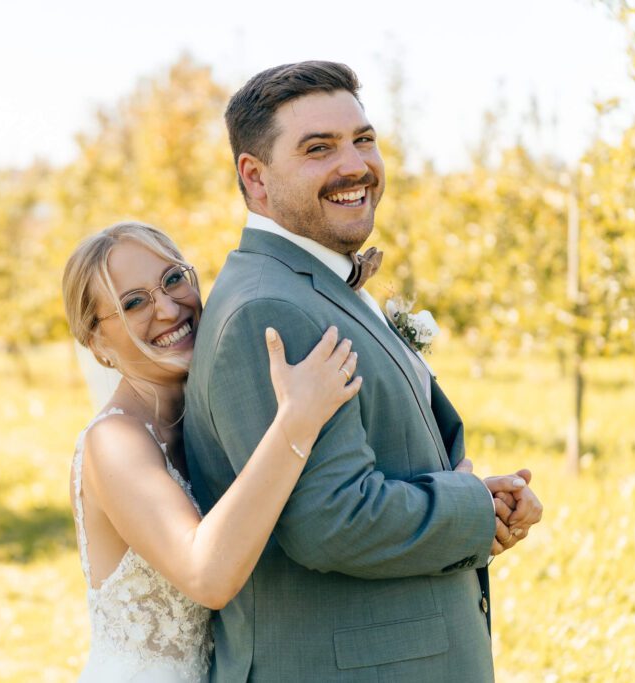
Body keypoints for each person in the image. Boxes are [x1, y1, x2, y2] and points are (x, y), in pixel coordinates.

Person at [183, 61, 543, 681]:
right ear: (256, 178)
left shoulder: (312, 286)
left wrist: (481, 501)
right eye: (318, 148)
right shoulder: (272, 308)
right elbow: (334, 521)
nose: (354, 165)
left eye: (363, 139)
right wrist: (471, 512)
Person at [62, 221, 361, 682]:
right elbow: (208, 576)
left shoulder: (210, 416)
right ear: (98, 343)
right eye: (133, 303)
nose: (167, 308)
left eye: (173, 279)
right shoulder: (113, 442)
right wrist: (297, 419)